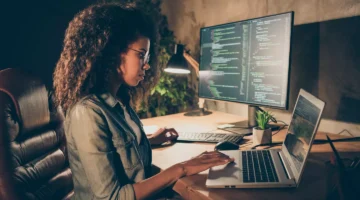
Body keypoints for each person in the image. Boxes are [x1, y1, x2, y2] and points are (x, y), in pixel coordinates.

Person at [53, 3, 233, 200]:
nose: (147, 65)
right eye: (141, 55)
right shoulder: (87, 113)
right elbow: (112, 197)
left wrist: (149, 141)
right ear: (113, 52)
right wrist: (182, 168)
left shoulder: (118, 102)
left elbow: (116, 153)